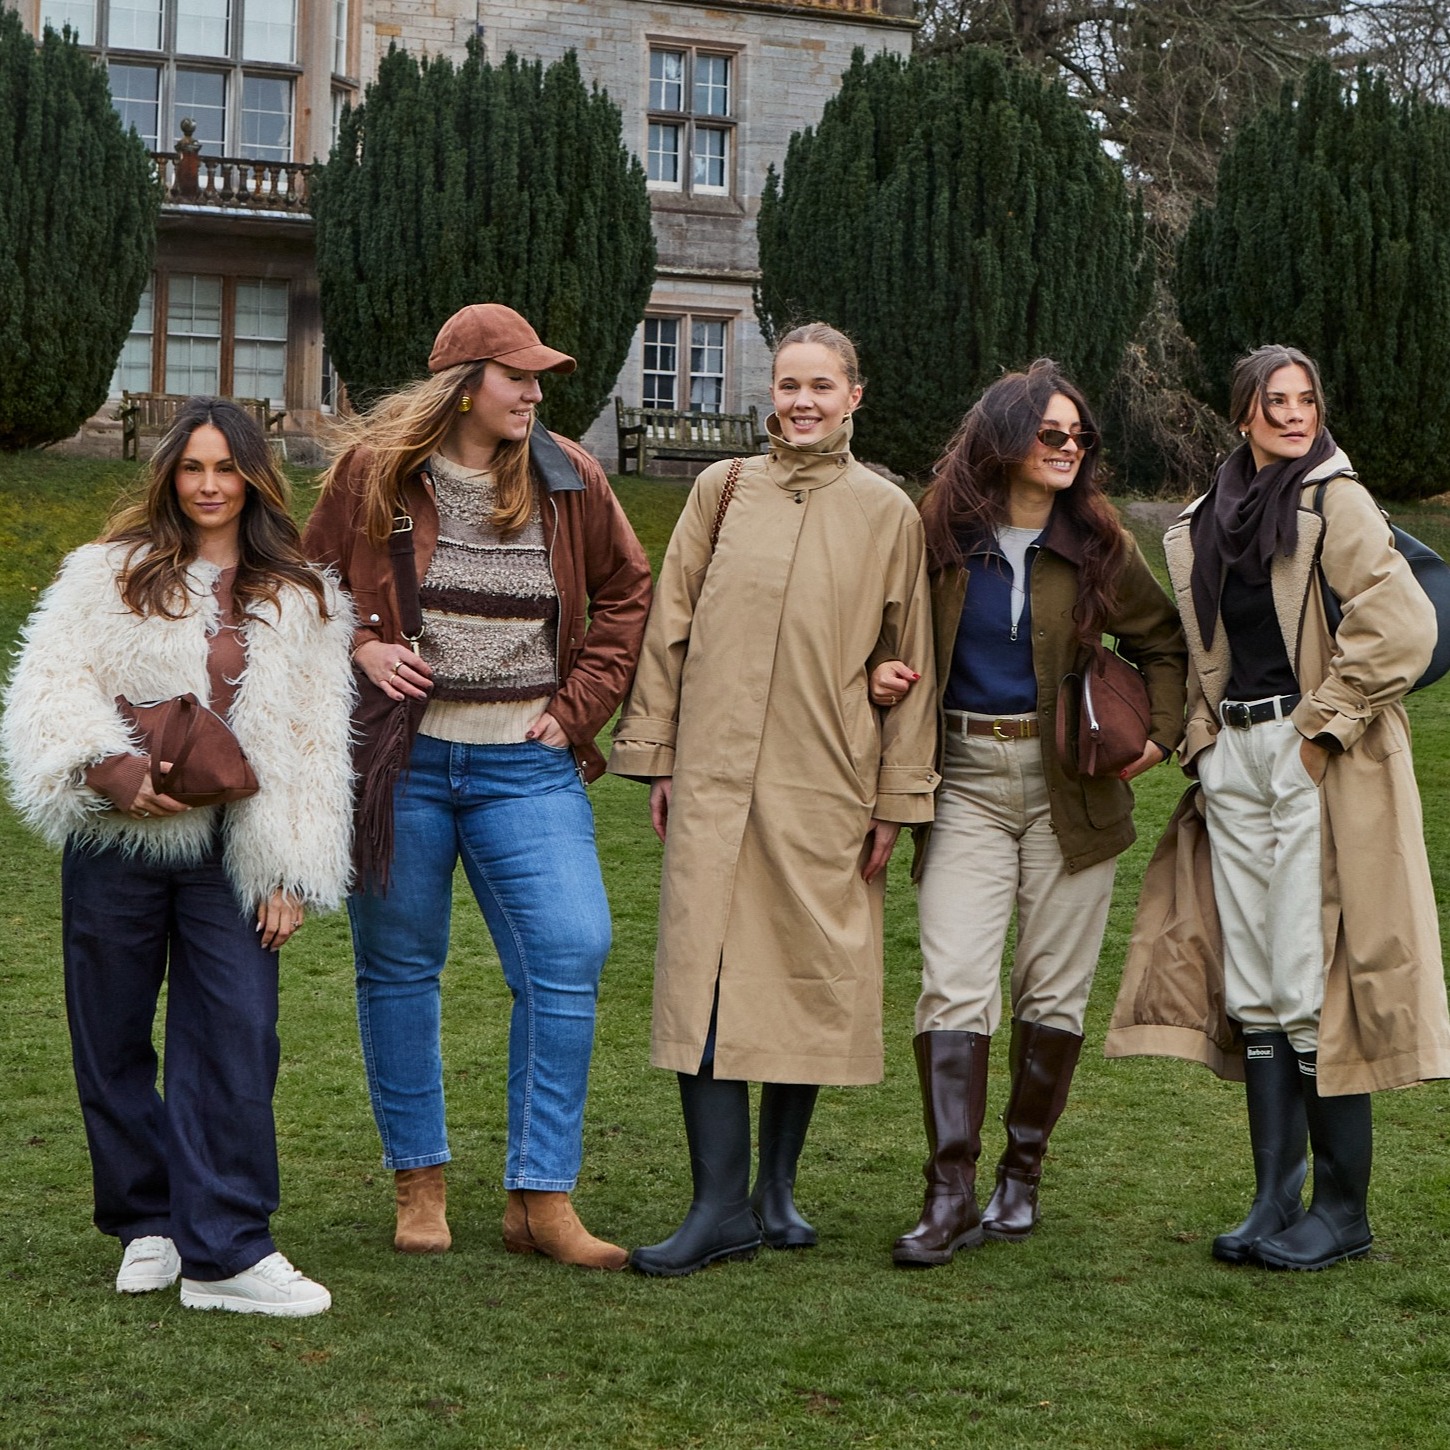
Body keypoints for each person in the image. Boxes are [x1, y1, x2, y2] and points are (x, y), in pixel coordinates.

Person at [304, 303, 651, 1269]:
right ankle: (420, 1183)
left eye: (540, 379)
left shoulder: (568, 476)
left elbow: (627, 590)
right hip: (401, 765)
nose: (536, 394)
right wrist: (364, 646)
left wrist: (578, 707)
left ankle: (540, 1198)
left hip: (525, 764)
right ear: (466, 385)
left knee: (573, 947)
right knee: (401, 967)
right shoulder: (373, 476)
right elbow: (299, 587)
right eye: (520, 378)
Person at [2, 398, 354, 1316]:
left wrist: (290, 867)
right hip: (117, 842)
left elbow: (317, 739)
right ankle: (146, 1223)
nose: (208, 486)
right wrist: (106, 768)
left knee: (238, 1034)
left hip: (233, 853)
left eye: (226, 468)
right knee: (111, 1037)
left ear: (253, 477)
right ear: (169, 474)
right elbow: (48, 686)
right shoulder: (103, 575)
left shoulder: (304, 595)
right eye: (193, 468)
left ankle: (228, 1250)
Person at [1107, 344, 1450, 1271]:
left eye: (1306, 399)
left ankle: (1342, 1211)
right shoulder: (1200, 521)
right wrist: (1203, 740)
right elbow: (1197, 646)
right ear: (1243, 413)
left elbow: (1404, 623)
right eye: (1275, 401)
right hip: (1236, 760)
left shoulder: (1334, 499)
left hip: (1314, 757)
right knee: (1256, 982)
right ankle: (1273, 1199)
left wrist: (1321, 727)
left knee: (1310, 979)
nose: (1295, 415)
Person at [608, 321, 940, 1277]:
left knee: (801, 979)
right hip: (716, 777)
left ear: (853, 397)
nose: (801, 401)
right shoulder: (722, 493)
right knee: (704, 978)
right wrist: (657, 753)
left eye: (820, 386)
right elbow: (670, 628)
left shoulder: (888, 514)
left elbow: (909, 663)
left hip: (823, 780)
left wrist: (893, 799)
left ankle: (775, 1194)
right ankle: (717, 1205)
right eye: (788, 384)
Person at [875, 359, 1186, 1267]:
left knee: (1052, 988)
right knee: (954, 979)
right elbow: (878, 622)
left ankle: (1021, 1176)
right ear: (1006, 439)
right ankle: (950, 1192)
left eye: (1078, 437)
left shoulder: (1098, 541)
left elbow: (1162, 641)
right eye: (1050, 435)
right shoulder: (937, 532)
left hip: (1072, 787)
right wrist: (876, 669)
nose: (1068, 449)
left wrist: (1158, 738)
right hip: (963, 776)